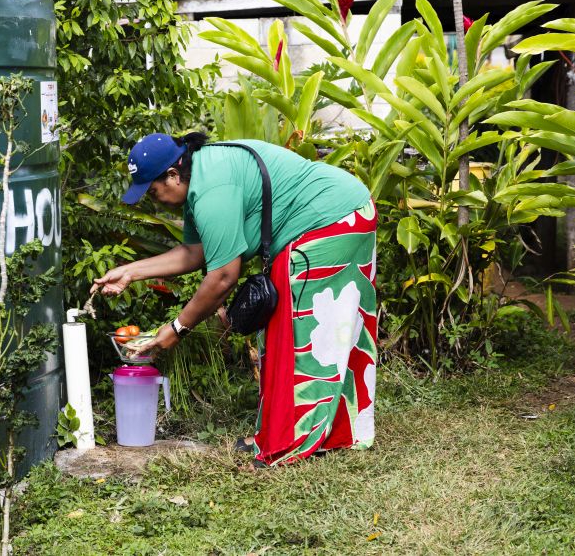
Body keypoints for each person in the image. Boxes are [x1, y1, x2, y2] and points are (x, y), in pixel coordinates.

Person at [93, 132, 379, 467]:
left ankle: (291, 441)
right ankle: (310, 432)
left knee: (305, 336)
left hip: (331, 220)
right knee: (294, 333)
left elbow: (224, 276)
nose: (154, 200)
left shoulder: (212, 190)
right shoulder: (199, 178)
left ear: (173, 174)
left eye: (153, 191)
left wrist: (176, 328)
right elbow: (194, 252)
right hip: (332, 215)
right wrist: (130, 271)